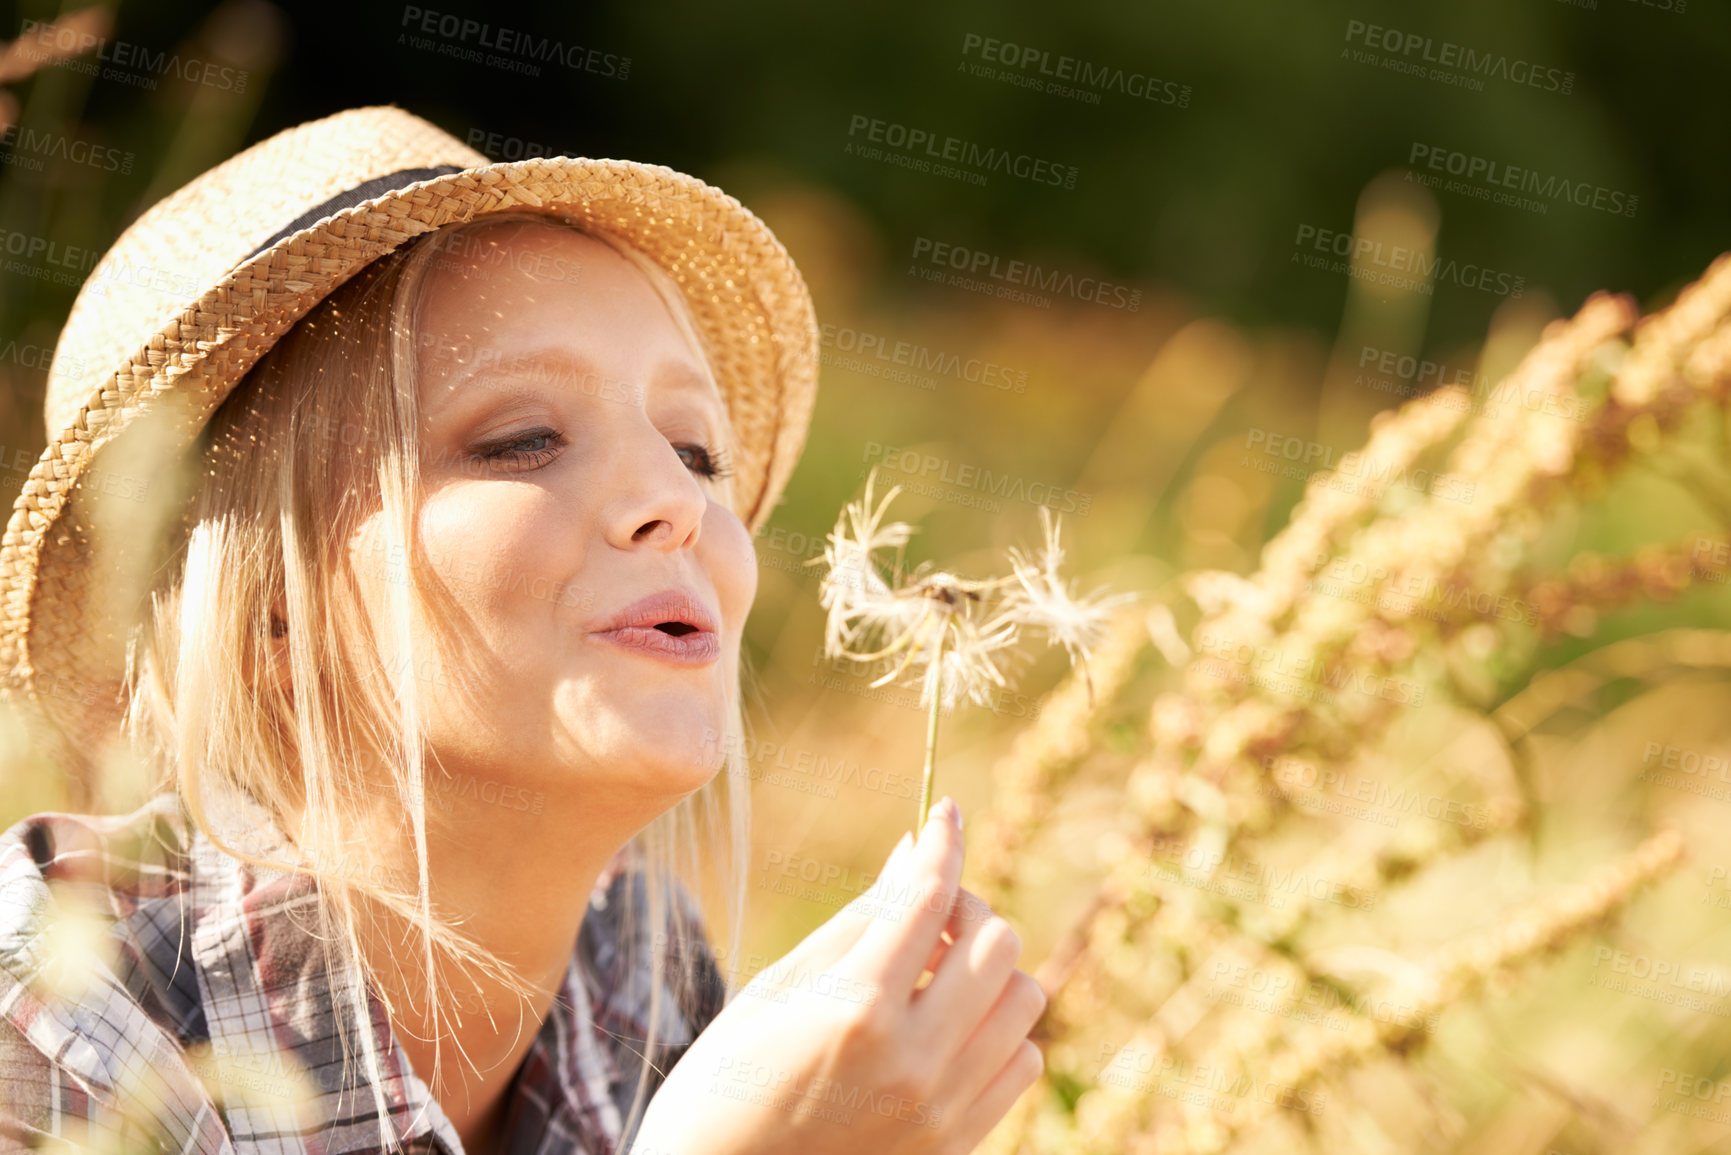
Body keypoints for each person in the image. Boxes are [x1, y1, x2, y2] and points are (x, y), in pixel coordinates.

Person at [0, 106, 1045, 1155]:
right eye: (523, 440)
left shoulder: (642, 975)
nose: (672, 502)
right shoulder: (53, 1025)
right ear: (270, 615)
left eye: (695, 452)